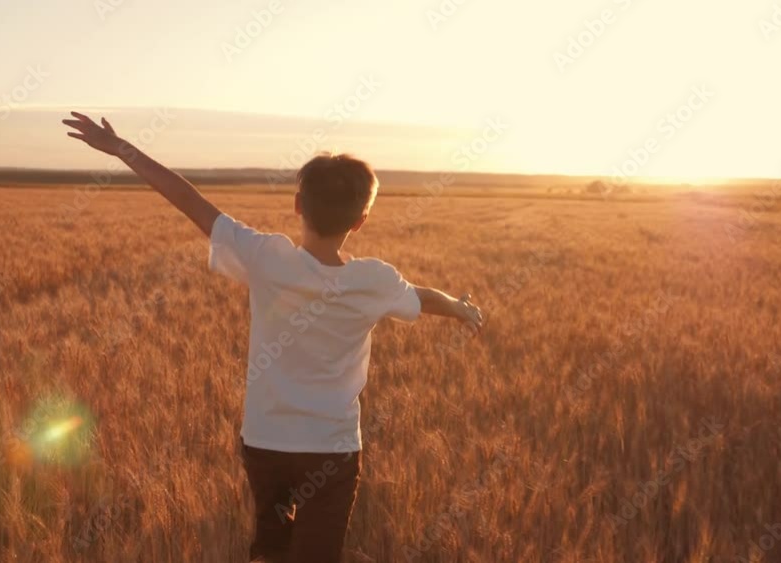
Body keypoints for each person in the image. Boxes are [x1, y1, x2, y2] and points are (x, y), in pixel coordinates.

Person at [63, 112, 484, 562]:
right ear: (361, 220)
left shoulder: (267, 257)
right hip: (331, 450)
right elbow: (422, 296)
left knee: (271, 549)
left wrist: (121, 148)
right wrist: (459, 307)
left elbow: (189, 201)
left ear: (298, 205)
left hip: (264, 441)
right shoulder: (374, 281)